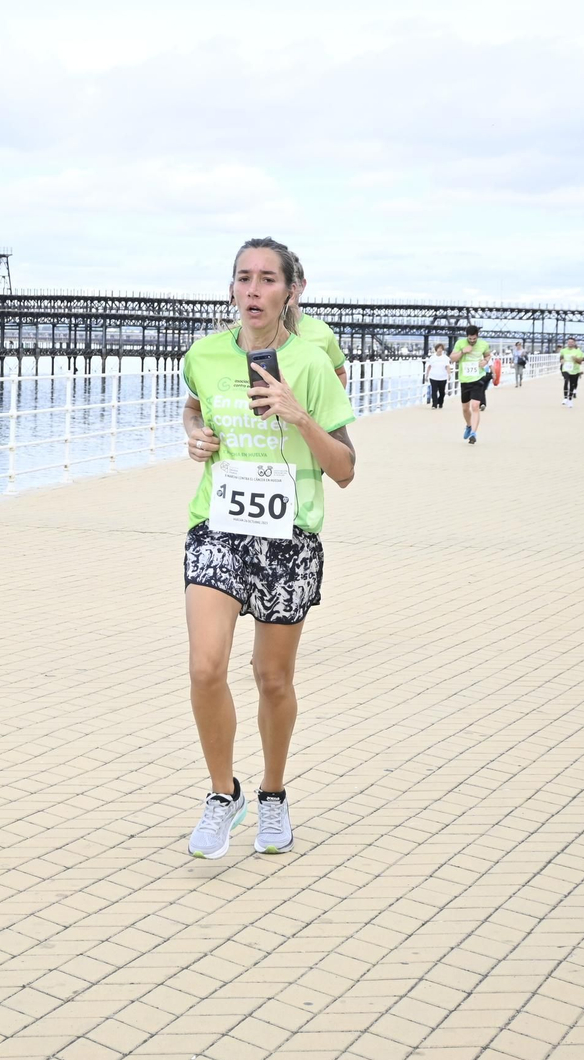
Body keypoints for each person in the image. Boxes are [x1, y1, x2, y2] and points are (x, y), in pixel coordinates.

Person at [180, 237, 356, 859]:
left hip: (288, 538)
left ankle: (274, 794)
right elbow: (195, 409)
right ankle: (222, 795)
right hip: (218, 528)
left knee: (272, 678)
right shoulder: (203, 354)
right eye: (243, 278)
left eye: (267, 279)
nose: (253, 290)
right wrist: (196, 436)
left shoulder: (308, 362)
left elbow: (344, 469)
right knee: (206, 667)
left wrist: (298, 414)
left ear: (290, 292)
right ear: (231, 289)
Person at [292, 257, 349, 388]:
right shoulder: (244, 329)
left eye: (292, 282)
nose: (288, 289)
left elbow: (339, 373)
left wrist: (331, 406)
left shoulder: (322, 331)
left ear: (302, 285)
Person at [452, 325, 490, 443]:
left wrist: (485, 361)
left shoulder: (484, 344)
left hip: (478, 378)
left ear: (477, 336)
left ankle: (473, 433)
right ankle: (468, 425)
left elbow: (488, 355)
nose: (472, 341)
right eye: (470, 339)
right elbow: (452, 358)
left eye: (474, 339)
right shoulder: (460, 343)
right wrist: (463, 351)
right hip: (465, 379)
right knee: (465, 408)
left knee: (475, 406)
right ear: (467, 336)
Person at [560, 338, 584, 406]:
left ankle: (570, 399)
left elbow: (580, 361)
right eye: (569, 342)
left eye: (572, 342)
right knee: (566, 380)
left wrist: (576, 359)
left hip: (574, 370)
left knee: (572, 384)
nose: (570, 343)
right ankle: (565, 398)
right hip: (565, 369)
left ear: (574, 343)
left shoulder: (578, 351)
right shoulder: (563, 350)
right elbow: (561, 357)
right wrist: (562, 360)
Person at [424, 343, 450, 409]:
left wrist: (449, 374)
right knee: (434, 391)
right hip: (433, 376)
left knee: (442, 392)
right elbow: (429, 366)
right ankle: (434, 404)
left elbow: (447, 367)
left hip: (442, 377)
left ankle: (440, 402)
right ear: (436, 349)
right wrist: (427, 375)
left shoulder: (445, 358)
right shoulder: (432, 357)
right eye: (438, 348)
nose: (440, 350)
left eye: (441, 348)